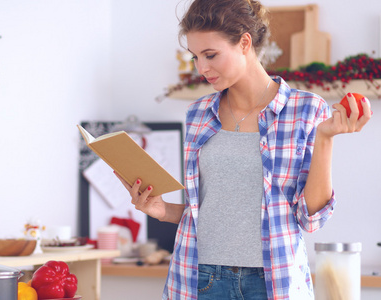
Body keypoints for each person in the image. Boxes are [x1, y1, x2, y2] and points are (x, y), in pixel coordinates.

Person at [115, 0, 372, 299]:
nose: (202, 68)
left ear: (244, 42)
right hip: (199, 279)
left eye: (210, 55)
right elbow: (209, 210)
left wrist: (325, 137)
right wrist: (162, 210)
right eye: (196, 56)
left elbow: (309, 218)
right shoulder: (198, 113)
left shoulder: (305, 109)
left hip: (272, 282)